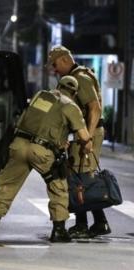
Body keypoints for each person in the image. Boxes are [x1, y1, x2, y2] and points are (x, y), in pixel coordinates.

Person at [0, 76, 93, 243]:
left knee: (8, 185)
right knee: (58, 187)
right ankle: (59, 230)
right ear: (74, 92)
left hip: (19, 145)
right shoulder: (71, 106)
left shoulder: (41, 95)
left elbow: (27, 119)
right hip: (42, 151)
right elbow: (84, 136)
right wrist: (87, 146)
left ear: (58, 86)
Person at [47, 45, 109, 238]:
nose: (54, 70)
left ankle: (85, 224)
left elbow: (95, 108)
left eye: (55, 65)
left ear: (65, 60)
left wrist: (87, 138)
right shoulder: (73, 78)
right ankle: (99, 223)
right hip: (80, 133)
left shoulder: (80, 78)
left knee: (79, 178)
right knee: (79, 177)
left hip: (88, 133)